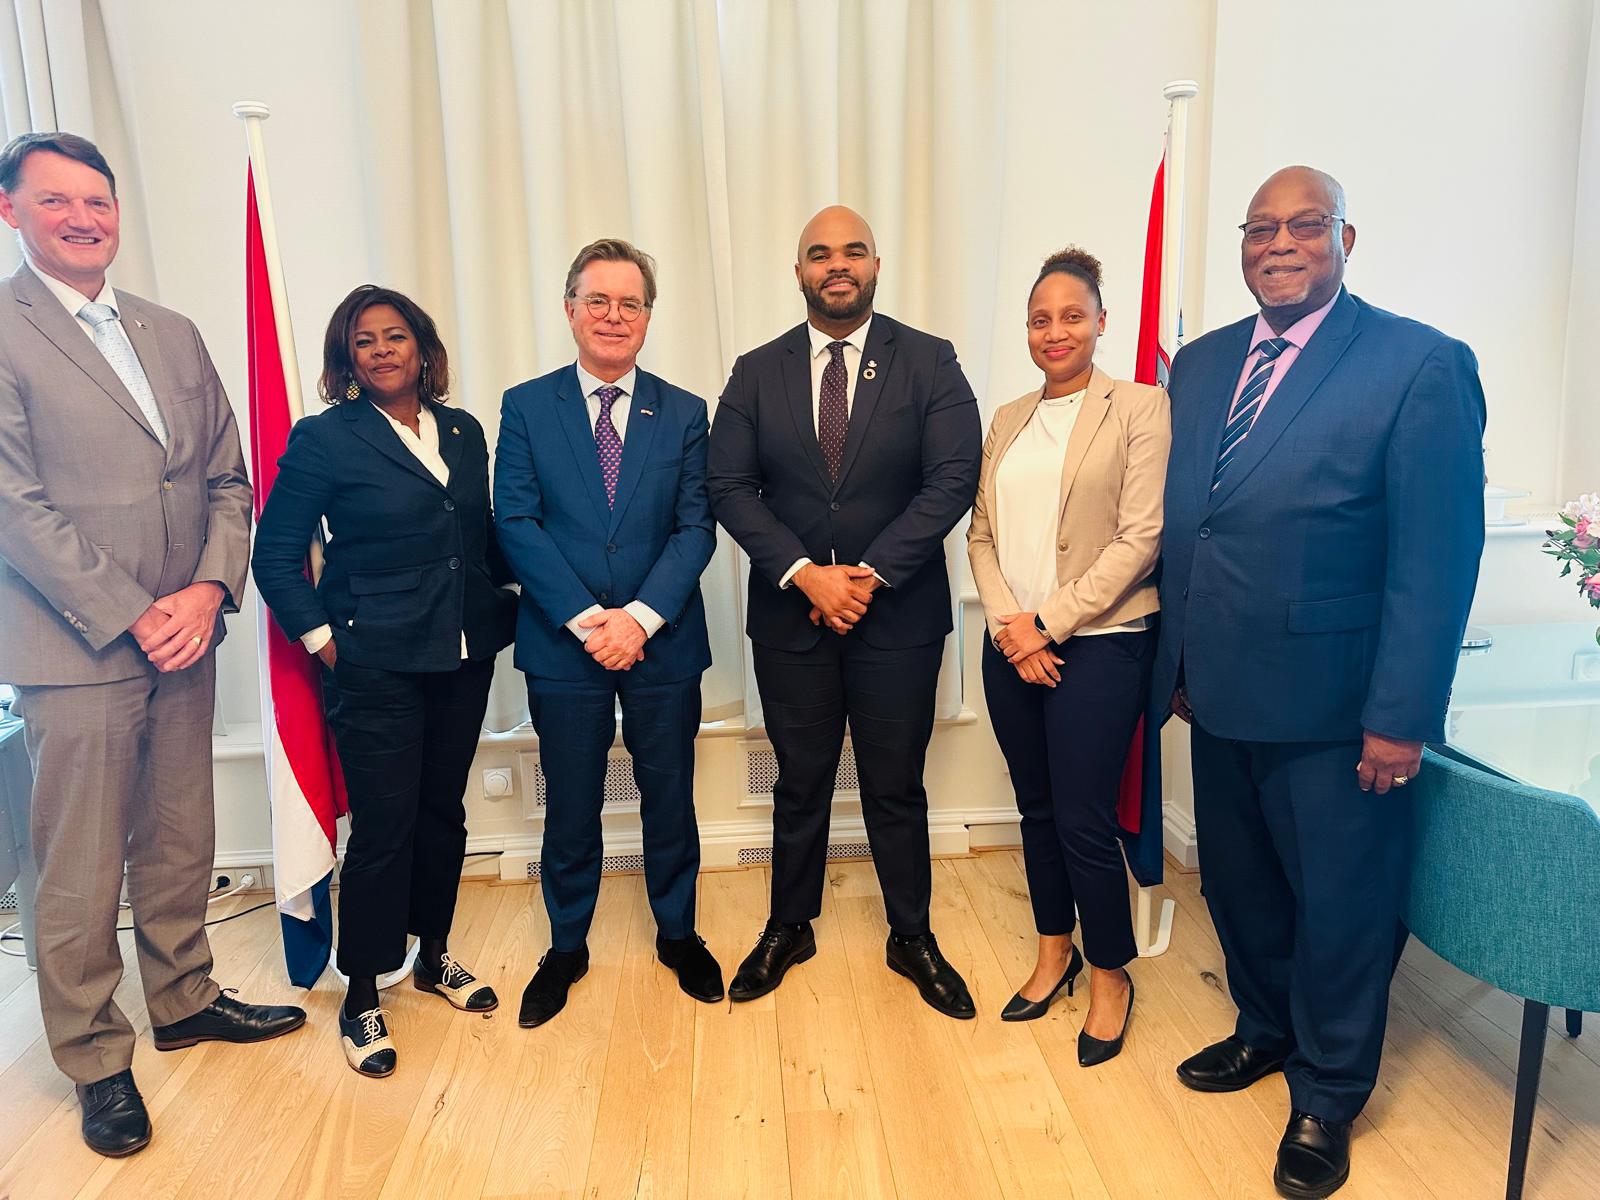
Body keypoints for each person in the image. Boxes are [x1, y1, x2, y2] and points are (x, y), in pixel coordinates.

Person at [1155, 166, 1485, 1199]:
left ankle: (1328, 1094)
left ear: (1348, 236)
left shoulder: (1416, 364)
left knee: (1342, 906)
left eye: (1305, 226)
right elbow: (1192, 524)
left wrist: (1399, 718)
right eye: (1260, 229)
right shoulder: (1201, 365)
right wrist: (1174, 663)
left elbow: (1437, 560)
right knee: (1240, 887)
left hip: (1340, 709)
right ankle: (1262, 1030)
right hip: (1217, 691)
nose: (1279, 243)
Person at [0, 132, 304, 1156]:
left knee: (180, 835)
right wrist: (136, 608)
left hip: (186, 631)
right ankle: (94, 1058)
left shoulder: (170, 333)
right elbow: (13, 507)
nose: (83, 217)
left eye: (98, 200)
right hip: (76, 642)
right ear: (12, 213)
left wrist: (210, 586)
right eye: (57, 202)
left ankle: (182, 999)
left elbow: (228, 472)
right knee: (79, 864)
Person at [708, 206, 983, 1017]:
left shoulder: (929, 361)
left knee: (896, 786)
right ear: (798, 273)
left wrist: (863, 576)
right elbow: (728, 485)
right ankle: (790, 924)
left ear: (875, 265)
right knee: (800, 782)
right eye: (819, 254)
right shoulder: (756, 371)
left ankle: (912, 935)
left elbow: (953, 478)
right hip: (793, 618)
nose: (838, 265)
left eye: (852, 251)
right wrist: (805, 574)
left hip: (897, 618)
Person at [252, 284, 516, 1077]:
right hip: (374, 666)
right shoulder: (325, 440)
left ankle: (433, 954)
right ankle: (362, 991)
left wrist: (515, 595)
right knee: (383, 829)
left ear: (423, 348)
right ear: (347, 362)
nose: (381, 350)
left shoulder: (464, 431)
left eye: (395, 336)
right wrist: (328, 644)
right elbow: (275, 555)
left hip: (464, 656)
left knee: (443, 814)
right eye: (363, 342)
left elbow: (478, 536)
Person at [496, 239, 721, 1028]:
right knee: (573, 803)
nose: (614, 317)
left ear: (649, 318)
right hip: (565, 644)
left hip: (662, 639)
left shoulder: (687, 411)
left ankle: (678, 933)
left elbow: (697, 529)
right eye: (599, 301)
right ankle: (566, 947)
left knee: (670, 794)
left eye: (631, 304)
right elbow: (514, 521)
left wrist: (639, 620)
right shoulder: (526, 406)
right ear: (570, 310)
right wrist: (592, 622)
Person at [966, 247, 1168, 1062]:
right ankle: (1057, 950)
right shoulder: (1008, 416)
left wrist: (1045, 623)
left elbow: (1141, 538)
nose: (1057, 331)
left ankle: (1112, 972)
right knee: (1036, 810)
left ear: (1101, 322)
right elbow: (980, 532)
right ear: (1027, 329)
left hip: (1104, 643)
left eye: (1073, 316)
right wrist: (1013, 627)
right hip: (1011, 644)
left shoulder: (1141, 407)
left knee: (1084, 820)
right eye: (1042, 318)